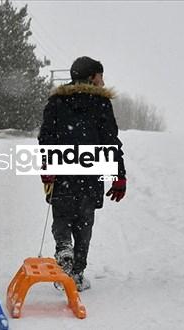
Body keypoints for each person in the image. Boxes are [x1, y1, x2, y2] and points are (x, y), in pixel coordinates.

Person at [38, 56, 127, 291]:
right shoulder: (101, 104)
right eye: (100, 75)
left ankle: (63, 247)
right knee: (84, 222)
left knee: (62, 216)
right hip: (91, 172)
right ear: (91, 77)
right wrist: (118, 175)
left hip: (62, 170)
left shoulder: (57, 101)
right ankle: (76, 273)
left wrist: (47, 166)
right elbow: (110, 141)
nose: (103, 80)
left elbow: (46, 137)